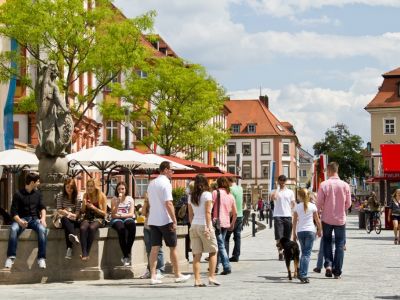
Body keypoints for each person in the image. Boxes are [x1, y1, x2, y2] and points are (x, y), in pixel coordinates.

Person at [147, 161, 191, 285]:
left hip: (153, 219)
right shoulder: (166, 183)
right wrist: (174, 219)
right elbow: (169, 203)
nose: (173, 172)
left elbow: (150, 202)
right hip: (165, 220)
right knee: (173, 247)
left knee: (154, 248)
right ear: (165, 170)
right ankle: (177, 274)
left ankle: (153, 276)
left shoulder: (152, 183)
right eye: (171, 170)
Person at [4, 172, 47, 269]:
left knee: (42, 229)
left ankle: (41, 258)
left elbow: (42, 208)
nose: (39, 183)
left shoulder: (38, 194)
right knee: (14, 229)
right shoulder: (18, 194)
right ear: (32, 182)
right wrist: (20, 222)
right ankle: (10, 258)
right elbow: (13, 212)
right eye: (38, 181)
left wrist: (43, 219)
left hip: (35, 220)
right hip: (21, 219)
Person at [317, 162, 351, 279]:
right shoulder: (345, 185)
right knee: (340, 244)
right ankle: (337, 271)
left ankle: (328, 265)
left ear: (329, 170)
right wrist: (341, 209)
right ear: (337, 170)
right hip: (340, 219)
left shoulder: (324, 184)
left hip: (326, 218)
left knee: (326, 241)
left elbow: (319, 202)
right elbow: (348, 204)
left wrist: (318, 212)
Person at [36, 61, 73, 158]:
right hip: (52, 112)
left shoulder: (45, 85)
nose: (56, 76)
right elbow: (58, 99)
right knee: (53, 130)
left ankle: (47, 147)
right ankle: (53, 148)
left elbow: (38, 91)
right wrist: (66, 109)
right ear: (54, 75)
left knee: (48, 131)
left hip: (47, 113)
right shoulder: (53, 86)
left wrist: (41, 74)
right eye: (56, 73)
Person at [188, 174, 220, 286]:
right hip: (204, 225)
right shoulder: (207, 195)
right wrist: (208, 227)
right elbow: (208, 212)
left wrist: (193, 225)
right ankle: (211, 277)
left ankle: (197, 280)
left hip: (194, 226)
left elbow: (190, 215)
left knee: (197, 255)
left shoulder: (191, 196)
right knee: (213, 251)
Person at [292, 188, 322, 283]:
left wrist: (294, 233)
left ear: (299, 196)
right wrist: (320, 230)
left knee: (304, 253)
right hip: (310, 231)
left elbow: (294, 221)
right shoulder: (313, 206)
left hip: (300, 231)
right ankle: (303, 274)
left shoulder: (297, 207)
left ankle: (301, 272)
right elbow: (317, 220)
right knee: (306, 253)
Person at [212, 176, 237, 275]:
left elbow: (210, 207)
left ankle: (226, 266)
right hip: (226, 223)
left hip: (216, 222)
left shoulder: (215, 193)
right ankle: (216, 266)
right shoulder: (230, 195)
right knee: (220, 244)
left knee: (220, 245)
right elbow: (235, 213)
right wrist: (232, 223)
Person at [79, 179, 107, 261]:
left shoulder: (102, 196)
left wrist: (93, 207)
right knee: (83, 228)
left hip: (99, 218)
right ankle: (84, 254)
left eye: (91, 186)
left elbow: (104, 213)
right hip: (88, 217)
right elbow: (83, 211)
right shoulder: (85, 195)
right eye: (88, 186)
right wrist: (83, 205)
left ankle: (86, 253)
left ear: (95, 187)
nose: (89, 188)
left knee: (91, 228)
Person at [110, 181, 136, 267]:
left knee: (132, 226)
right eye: (119, 189)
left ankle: (126, 252)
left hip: (126, 217)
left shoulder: (130, 199)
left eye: (122, 189)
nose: (121, 191)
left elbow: (131, 213)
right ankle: (126, 256)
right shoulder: (114, 199)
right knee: (121, 230)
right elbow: (113, 214)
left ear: (126, 189)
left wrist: (121, 215)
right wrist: (118, 202)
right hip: (116, 219)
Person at [140, 191, 165, 279]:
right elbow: (142, 213)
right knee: (148, 250)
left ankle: (160, 270)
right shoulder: (147, 203)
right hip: (147, 227)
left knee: (158, 249)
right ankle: (150, 270)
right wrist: (146, 202)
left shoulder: (158, 202)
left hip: (157, 227)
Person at [271, 174, 296, 261]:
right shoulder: (274, 191)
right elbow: (273, 197)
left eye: (283, 181)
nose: (282, 183)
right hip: (278, 216)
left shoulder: (290, 192)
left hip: (288, 216)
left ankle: (287, 252)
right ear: (278, 181)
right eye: (280, 181)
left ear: (285, 182)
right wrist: (278, 188)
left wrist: (293, 210)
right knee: (279, 236)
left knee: (287, 236)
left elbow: (293, 203)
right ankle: (280, 252)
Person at [56, 178, 81, 259]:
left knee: (68, 228)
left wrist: (73, 215)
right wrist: (68, 213)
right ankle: (73, 235)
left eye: (71, 187)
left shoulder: (77, 197)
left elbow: (77, 213)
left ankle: (69, 249)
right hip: (65, 219)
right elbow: (59, 210)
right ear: (64, 187)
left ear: (74, 188)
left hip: (74, 219)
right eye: (67, 187)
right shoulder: (60, 195)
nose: (69, 189)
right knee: (65, 219)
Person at [224, 177, 243, 263]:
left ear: (229, 181)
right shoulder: (240, 188)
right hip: (240, 215)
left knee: (226, 237)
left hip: (232, 215)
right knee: (237, 237)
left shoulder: (230, 189)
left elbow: (230, 204)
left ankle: (225, 256)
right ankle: (236, 256)